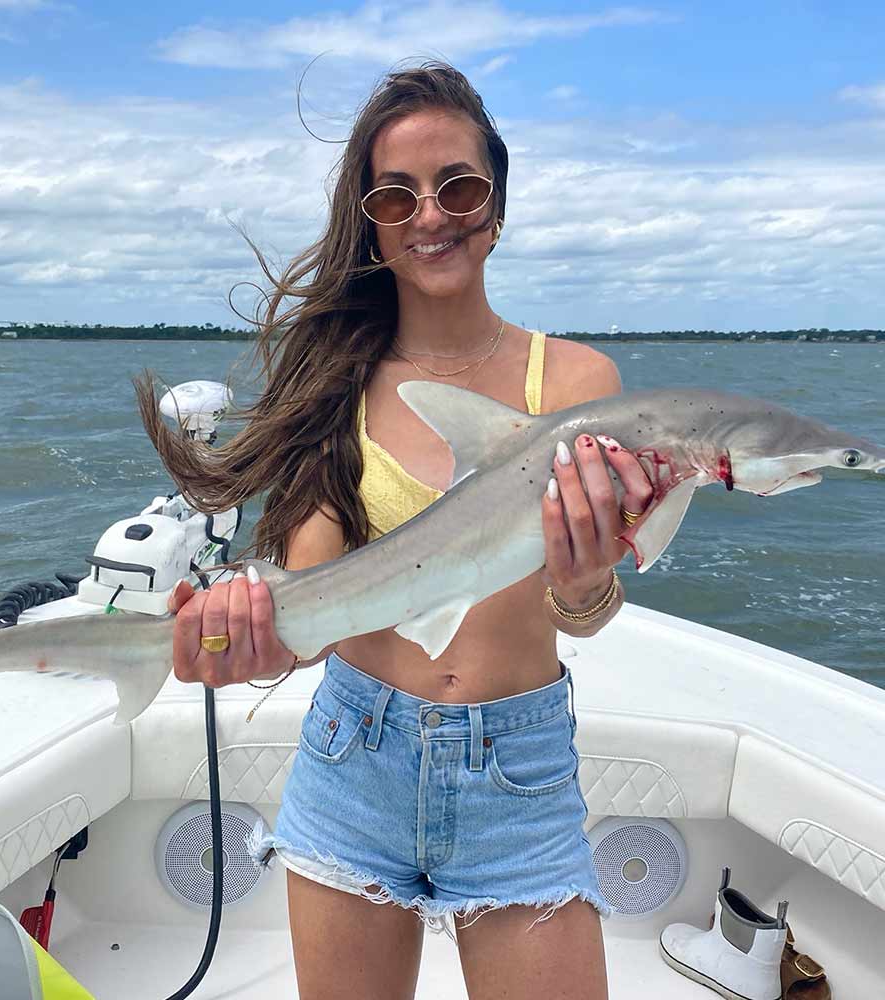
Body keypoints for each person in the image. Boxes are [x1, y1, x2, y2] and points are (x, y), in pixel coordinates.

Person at [141, 61, 653, 1000]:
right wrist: (243, 640)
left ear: (496, 203)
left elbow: (581, 614)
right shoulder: (338, 387)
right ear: (371, 222)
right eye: (397, 194)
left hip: (520, 772)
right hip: (354, 758)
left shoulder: (579, 390)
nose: (432, 214)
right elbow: (311, 609)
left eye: (458, 186)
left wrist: (584, 585)